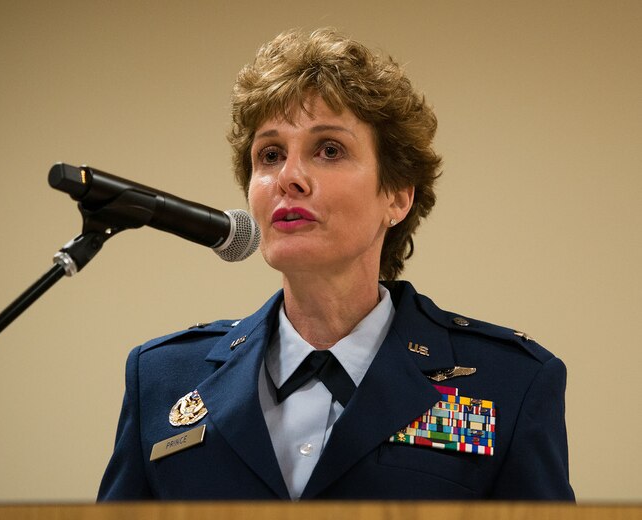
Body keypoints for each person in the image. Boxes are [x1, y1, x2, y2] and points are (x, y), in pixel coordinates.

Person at [97, 28, 574, 501]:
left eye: (329, 149)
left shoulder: (511, 382)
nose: (290, 178)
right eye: (270, 154)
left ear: (398, 196)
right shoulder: (163, 378)